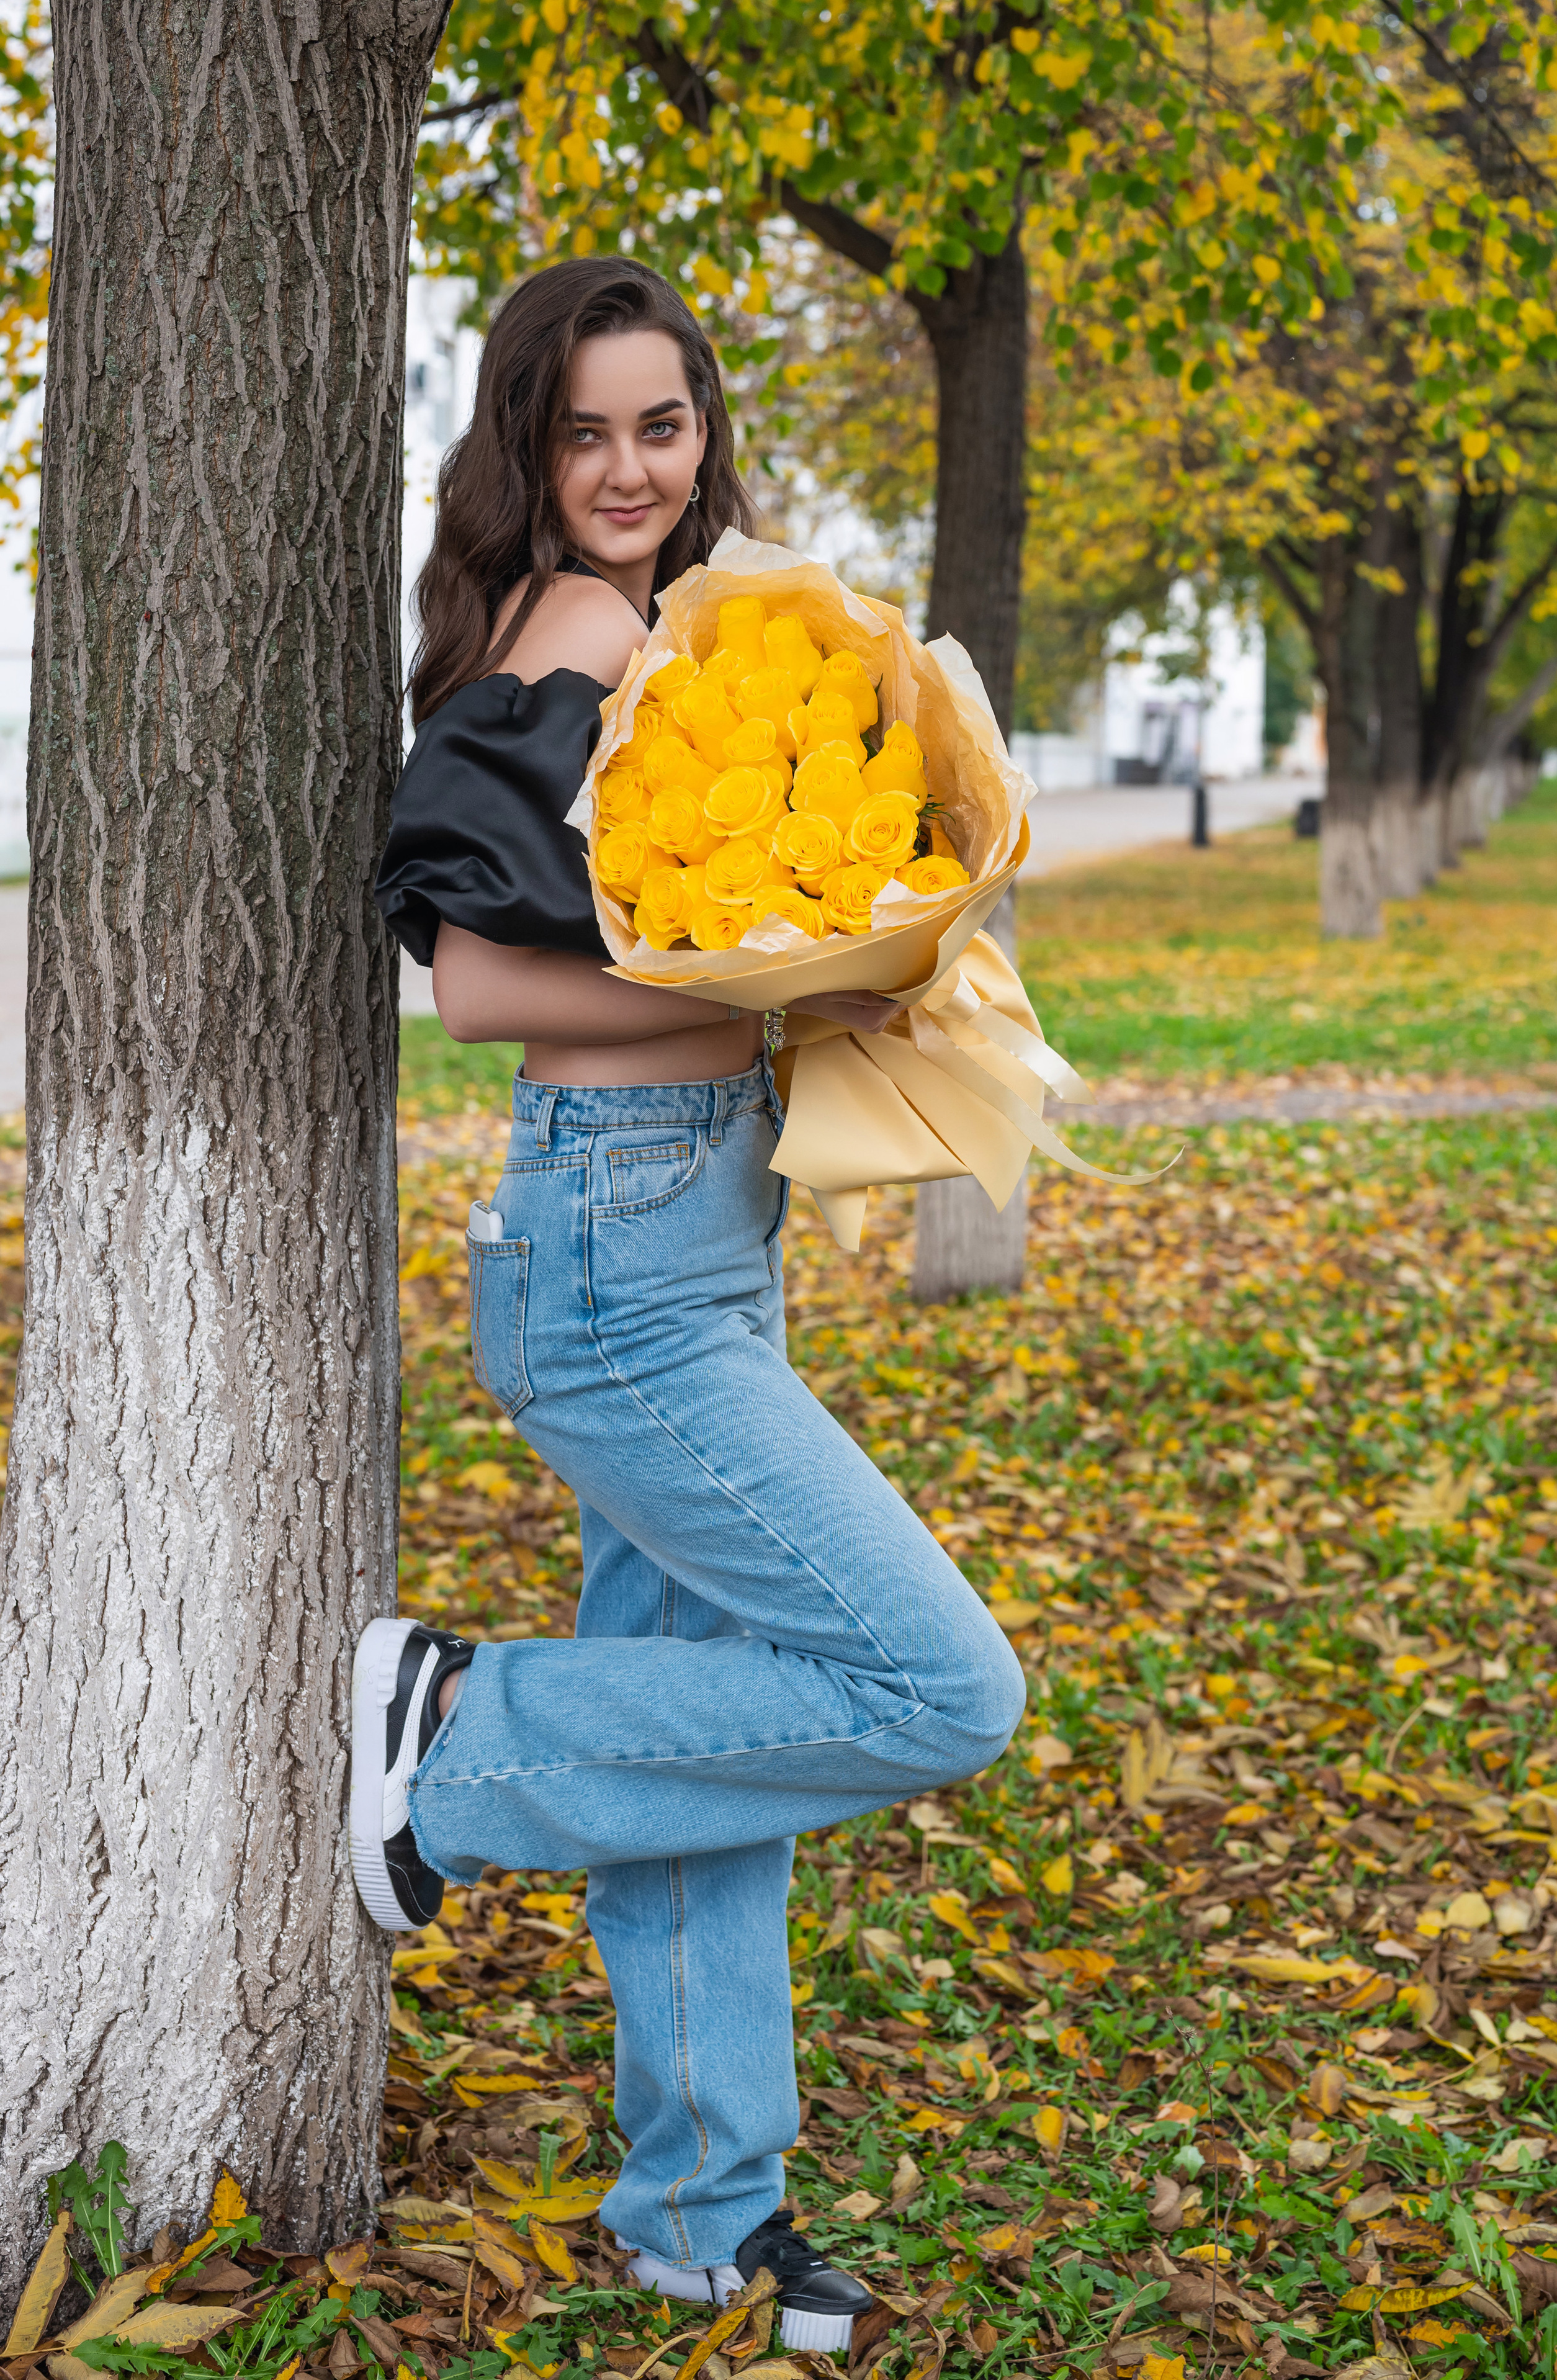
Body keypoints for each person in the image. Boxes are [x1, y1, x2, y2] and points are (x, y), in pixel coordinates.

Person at [356, 256, 1025, 2353]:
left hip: (693, 1241)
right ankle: (459, 1739)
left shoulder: (690, 639)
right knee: (934, 1686)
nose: (632, 467)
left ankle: (700, 2209)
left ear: (702, 432)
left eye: (662, 424)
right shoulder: (563, 634)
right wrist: (771, 984)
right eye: (586, 432)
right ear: (527, 455)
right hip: (617, 1267)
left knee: (724, 1753)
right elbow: (469, 984)